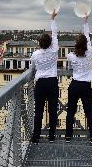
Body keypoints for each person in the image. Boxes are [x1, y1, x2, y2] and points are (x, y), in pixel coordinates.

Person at [65, 14, 92, 145]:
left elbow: (82, 44)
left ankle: (67, 136)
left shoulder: (71, 56)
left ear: (76, 44)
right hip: (86, 86)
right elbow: (88, 40)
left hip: (74, 85)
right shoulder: (89, 53)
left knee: (71, 110)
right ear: (85, 45)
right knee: (89, 111)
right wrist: (86, 22)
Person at [30, 10, 59, 144]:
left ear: (39, 43)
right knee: (53, 111)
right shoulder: (54, 51)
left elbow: (32, 69)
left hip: (40, 83)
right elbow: (55, 34)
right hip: (52, 82)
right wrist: (52, 19)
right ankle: (51, 137)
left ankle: (36, 137)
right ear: (50, 43)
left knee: (39, 111)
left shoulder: (35, 55)